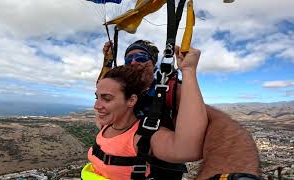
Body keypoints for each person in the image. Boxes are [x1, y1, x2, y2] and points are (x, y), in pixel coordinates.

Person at [82, 47, 208, 180]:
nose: (96, 106)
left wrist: (188, 70)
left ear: (131, 100)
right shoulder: (106, 125)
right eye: (97, 97)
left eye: (106, 99)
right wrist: (107, 62)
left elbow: (188, 150)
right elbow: (103, 85)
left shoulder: (142, 138)